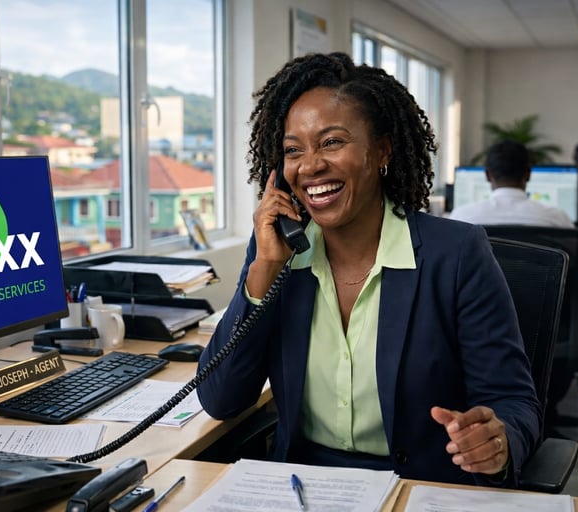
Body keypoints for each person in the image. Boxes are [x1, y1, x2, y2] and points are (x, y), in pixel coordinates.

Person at [196, 52, 540, 488]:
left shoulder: (455, 254)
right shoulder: (279, 254)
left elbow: (513, 401)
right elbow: (221, 399)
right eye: (293, 151)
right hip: (303, 486)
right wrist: (264, 269)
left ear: (381, 151)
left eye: (332, 142)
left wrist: (499, 441)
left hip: (420, 487)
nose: (311, 165)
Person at [449, 140, 578, 268]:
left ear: (488, 175)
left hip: (483, 303)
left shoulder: (461, 217)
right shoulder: (556, 218)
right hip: (546, 304)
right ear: (528, 174)